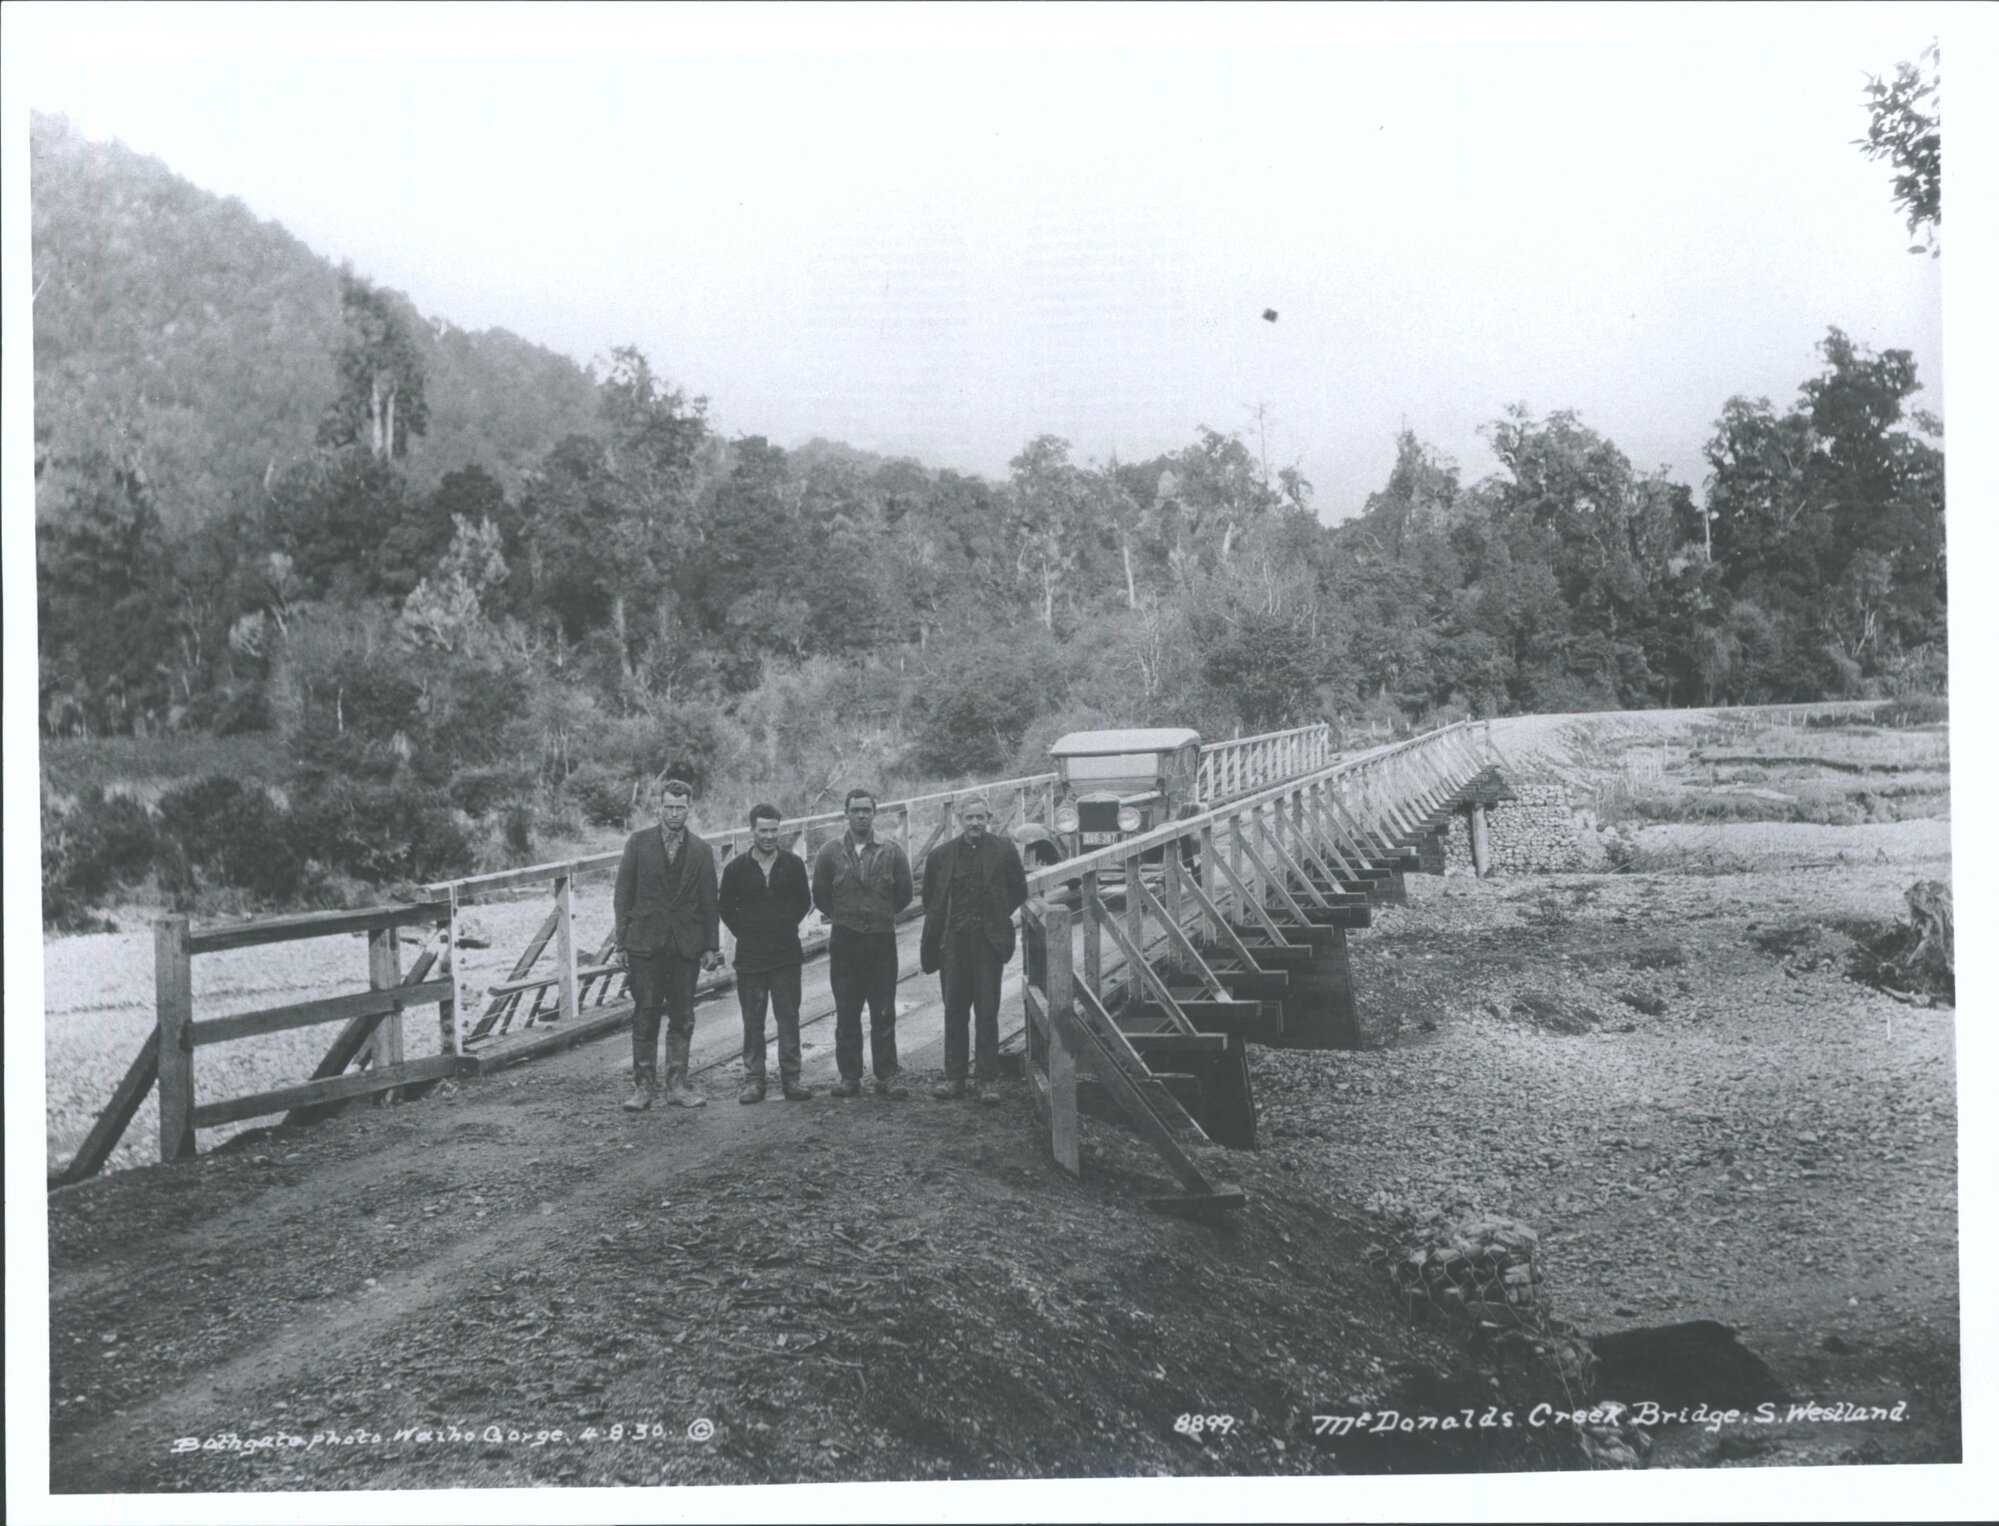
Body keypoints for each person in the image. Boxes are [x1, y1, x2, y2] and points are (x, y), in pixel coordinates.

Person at [612, 778, 723, 1110]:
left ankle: (677, 1086)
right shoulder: (638, 843)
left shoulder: (702, 850)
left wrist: (710, 946)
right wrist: (621, 943)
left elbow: (709, 903)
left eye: (681, 807)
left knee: (682, 1017)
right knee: (645, 1016)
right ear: (659, 807)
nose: (675, 814)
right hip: (645, 945)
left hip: (685, 947)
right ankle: (643, 1089)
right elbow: (622, 895)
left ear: (690, 808)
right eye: (669, 807)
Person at [921, 796, 1028, 1103]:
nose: (975, 823)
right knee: (954, 1009)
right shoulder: (941, 856)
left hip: (987, 941)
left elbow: (1018, 889)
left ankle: (987, 1080)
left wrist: (994, 915)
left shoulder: (1003, 850)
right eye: (969, 818)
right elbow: (931, 899)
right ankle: (954, 1078)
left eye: (980, 817)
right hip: (952, 941)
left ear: (988, 817)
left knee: (987, 1010)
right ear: (960, 820)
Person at [810, 789, 914, 1098]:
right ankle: (849, 1076)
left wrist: (878, 914)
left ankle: (887, 1074)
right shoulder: (829, 853)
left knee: (883, 1010)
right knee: (847, 1010)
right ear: (846, 813)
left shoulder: (892, 852)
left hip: (882, 939)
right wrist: (848, 915)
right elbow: (820, 895)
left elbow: (905, 895)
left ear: (875, 813)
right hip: (845, 940)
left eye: (866, 810)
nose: (861, 816)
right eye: (855, 810)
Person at [718, 803, 814, 1104]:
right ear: (752, 831)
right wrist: (749, 931)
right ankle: (754, 1080)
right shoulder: (735, 869)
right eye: (763, 830)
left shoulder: (793, 865)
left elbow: (803, 902)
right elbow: (726, 909)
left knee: (788, 1017)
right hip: (750, 957)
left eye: (774, 830)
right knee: (753, 1020)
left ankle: (791, 1078)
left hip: (786, 954)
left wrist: (782, 926)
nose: (769, 836)